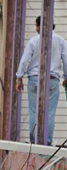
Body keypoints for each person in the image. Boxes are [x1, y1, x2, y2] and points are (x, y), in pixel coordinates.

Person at [16, 16, 67, 145]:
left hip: (34, 79)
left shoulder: (34, 41)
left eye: (36, 25)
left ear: (40, 26)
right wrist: (66, 77)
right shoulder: (61, 41)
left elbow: (24, 60)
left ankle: (34, 141)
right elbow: (66, 60)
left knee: (34, 110)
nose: (36, 28)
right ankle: (47, 142)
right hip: (52, 80)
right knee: (50, 113)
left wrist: (19, 77)